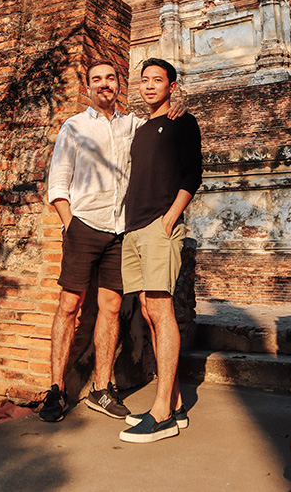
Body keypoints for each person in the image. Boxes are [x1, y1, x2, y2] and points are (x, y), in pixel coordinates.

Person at [39, 58, 182, 422]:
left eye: (110, 78)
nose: (104, 84)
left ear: (119, 85)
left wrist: (178, 107)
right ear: (88, 87)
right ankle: (55, 389)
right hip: (84, 225)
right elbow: (58, 182)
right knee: (69, 305)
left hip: (121, 231)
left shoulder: (134, 125)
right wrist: (70, 224)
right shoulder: (74, 127)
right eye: (97, 79)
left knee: (112, 307)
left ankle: (101, 389)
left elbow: (164, 125)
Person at [119, 58, 202, 444]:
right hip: (134, 228)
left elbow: (193, 173)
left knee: (161, 309)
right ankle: (176, 404)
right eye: (145, 80)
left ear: (172, 86)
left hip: (159, 226)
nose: (150, 85)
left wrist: (170, 219)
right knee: (150, 313)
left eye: (158, 80)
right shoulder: (140, 129)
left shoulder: (183, 122)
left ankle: (161, 413)